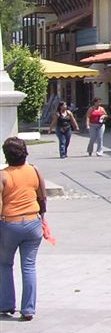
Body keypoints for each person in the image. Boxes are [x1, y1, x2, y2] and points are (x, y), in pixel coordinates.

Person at [0, 137, 45, 321]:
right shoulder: (34, 171)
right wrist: (43, 218)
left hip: (11, 223)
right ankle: (28, 309)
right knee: (28, 266)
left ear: (6, 155)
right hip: (33, 223)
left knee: (4, 264)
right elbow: (42, 197)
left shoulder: (3, 175)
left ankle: (6, 304)